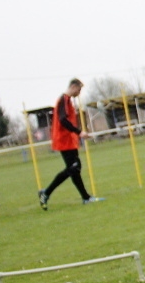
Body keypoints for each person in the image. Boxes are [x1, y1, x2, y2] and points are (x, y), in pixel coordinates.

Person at [39, 79, 102, 209]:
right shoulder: (64, 100)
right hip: (64, 140)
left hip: (69, 140)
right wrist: (79, 132)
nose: (79, 93)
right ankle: (46, 192)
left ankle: (86, 198)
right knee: (74, 167)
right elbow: (62, 120)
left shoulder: (67, 101)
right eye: (79, 90)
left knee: (75, 169)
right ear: (73, 87)